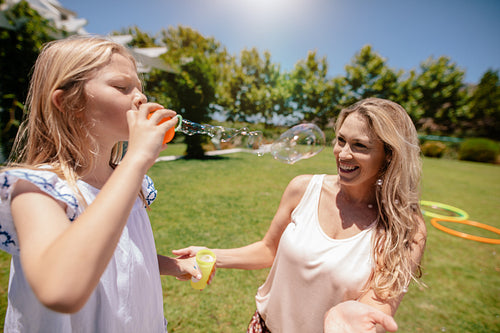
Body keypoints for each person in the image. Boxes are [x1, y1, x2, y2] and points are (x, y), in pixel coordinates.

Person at [174, 97, 427, 333]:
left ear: (389, 156)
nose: (343, 153)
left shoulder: (405, 227)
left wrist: (360, 318)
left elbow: (380, 303)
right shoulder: (303, 189)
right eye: (340, 140)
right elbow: (268, 249)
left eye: (359, 145)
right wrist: (211, 256)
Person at [0, 36, 201, 332]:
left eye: (140, 89)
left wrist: (171, 265)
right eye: (122, 87)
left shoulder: (130, 185)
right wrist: (135, 160)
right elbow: (60, 289)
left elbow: (118, 255)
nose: (141, 98)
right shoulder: (36, 190)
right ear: (69, 102)